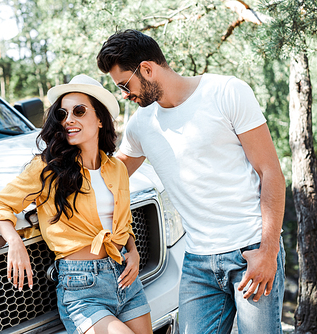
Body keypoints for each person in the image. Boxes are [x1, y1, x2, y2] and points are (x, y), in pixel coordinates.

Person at [97, 29, 286, 334]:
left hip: (250, 250)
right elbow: (107, 176)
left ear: (146, 69)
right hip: (198, 263)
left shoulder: (226, 92)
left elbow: (271, 173)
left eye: (124, 84)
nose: (124, 94)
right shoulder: (141, 126)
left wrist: (269, 251)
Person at [0, 74, 153, 334]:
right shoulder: (48, 168)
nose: (69, 120)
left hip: (125, 278)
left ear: (99, 118)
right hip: (81, 286)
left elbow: (122, 222)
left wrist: (134, 251)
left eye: (79, 111)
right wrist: (14, 242)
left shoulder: (116, 168)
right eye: (62, 113)